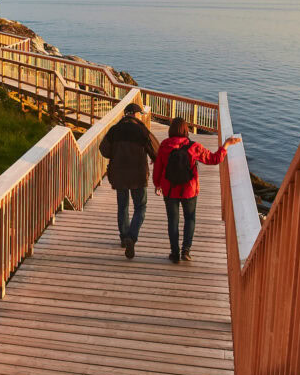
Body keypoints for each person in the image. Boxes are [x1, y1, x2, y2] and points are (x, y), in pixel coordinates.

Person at [153, 116, 241, 263]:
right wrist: (226, 144)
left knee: (173, 221)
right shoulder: (194, 147)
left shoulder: (164, 146)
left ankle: (174, 253)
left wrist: (157, 184)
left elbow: (158, 168)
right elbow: (214, 159)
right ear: (186, 130)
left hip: (169, 190)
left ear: (171, 130)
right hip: (189, 190)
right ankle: (186, 250)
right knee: (190, 218)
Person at [100, 103, 159, 260]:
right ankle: (131, 237)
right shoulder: (141, 130)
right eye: (140, 114)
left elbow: (104, 150)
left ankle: (124, 238)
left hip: (119, 175)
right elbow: (156, 150)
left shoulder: (115, 130)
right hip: (138, 175)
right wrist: (153, 158)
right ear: (134, 114)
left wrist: (116, 153)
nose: (142, 117)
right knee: (140, 206)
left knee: (123, 206)